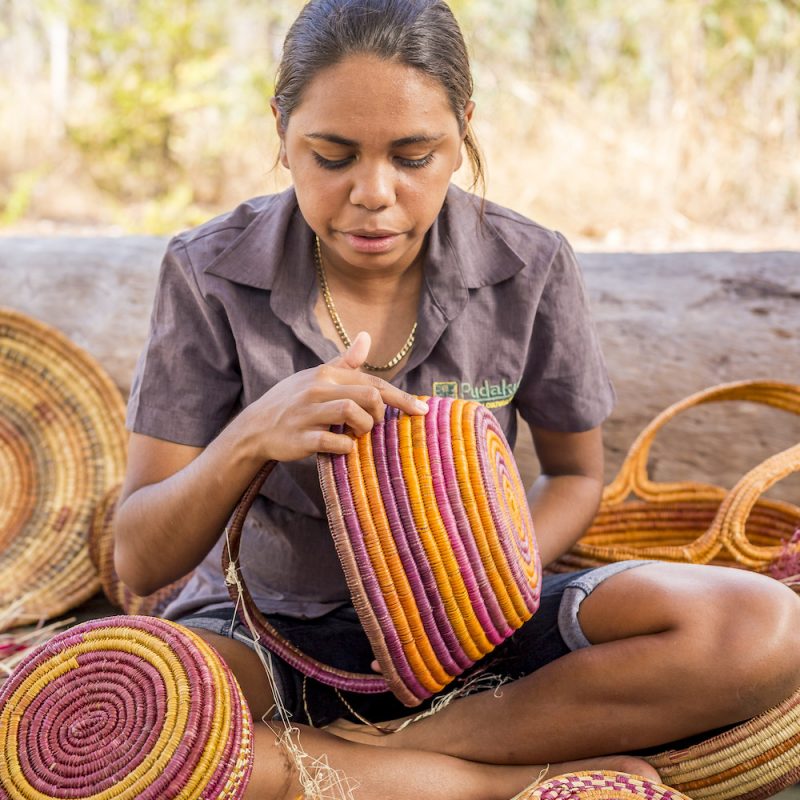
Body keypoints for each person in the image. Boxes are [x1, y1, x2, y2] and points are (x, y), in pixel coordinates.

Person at [114, 1, 800, 798]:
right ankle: (495, 783)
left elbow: (575, 475)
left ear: (464, 129)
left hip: (480, 633)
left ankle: (417, 751)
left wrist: (469, 596)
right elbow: (140, 557)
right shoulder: (209, 270)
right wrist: (253, 434)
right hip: (267, 629)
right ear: (280, 131)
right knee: (143, 725)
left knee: (764, 629)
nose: (374, 193)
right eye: (331, 156)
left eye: (414, 155)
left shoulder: (528, 263)